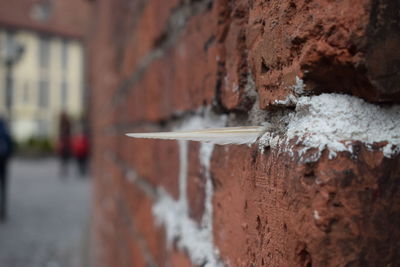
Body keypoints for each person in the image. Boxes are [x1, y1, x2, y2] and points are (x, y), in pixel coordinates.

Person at [0, 118, 13, 222]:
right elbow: (10, 144)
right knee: (3, 187)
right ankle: (3, 209)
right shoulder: (4, 128)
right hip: (3, 161)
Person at [58, 112, 72, 177]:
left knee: (64, 160)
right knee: (64, 160)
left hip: (65, 147)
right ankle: (64, 170)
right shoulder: (65, 125)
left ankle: (64, 170)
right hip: (65, 147)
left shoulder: (64, 125)